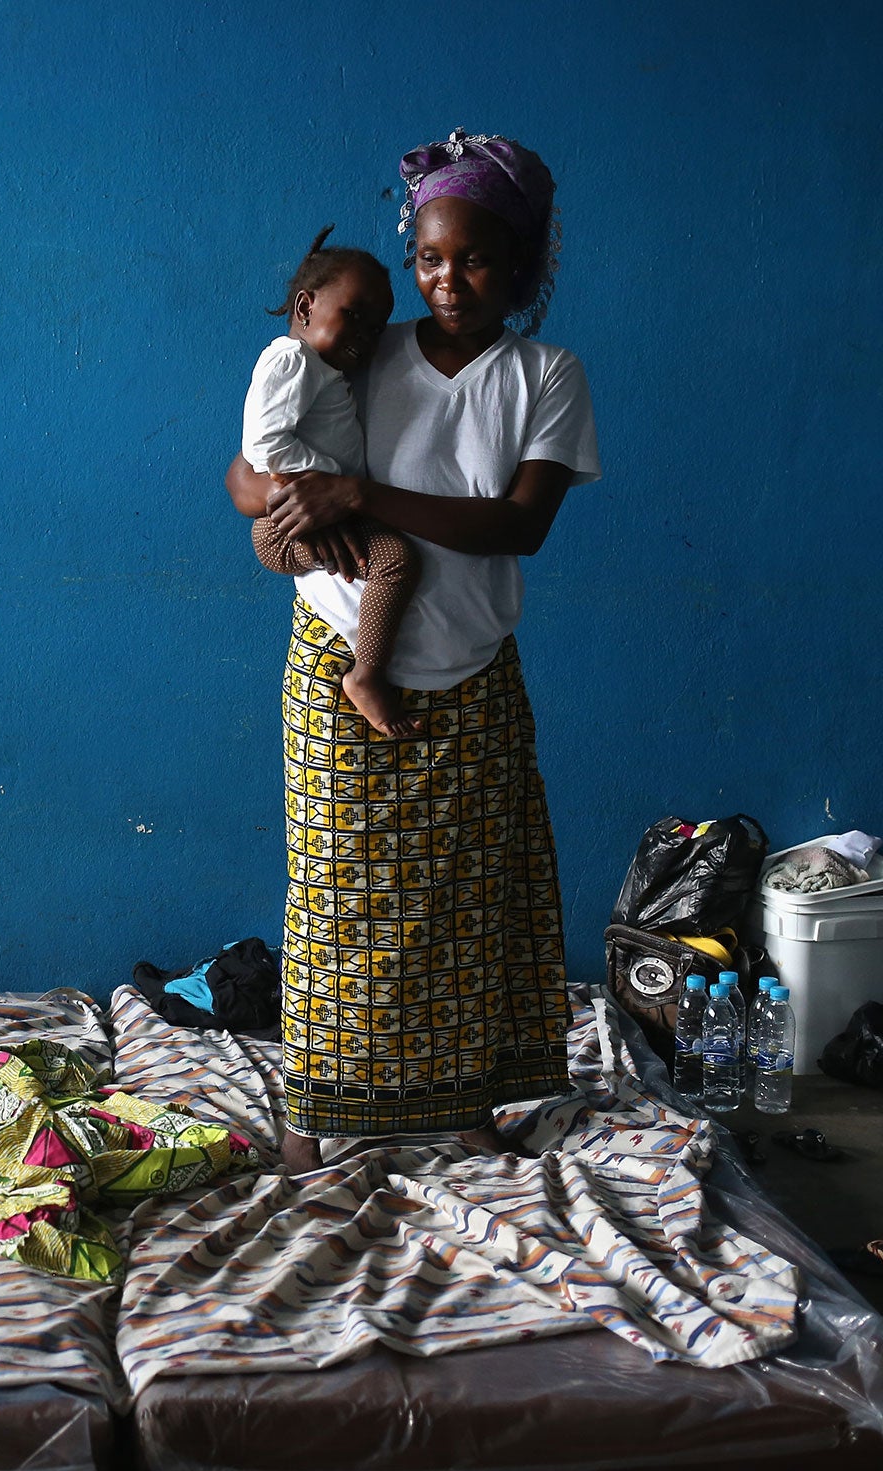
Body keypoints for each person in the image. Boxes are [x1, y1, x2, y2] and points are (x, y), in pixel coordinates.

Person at [224, 129, 600, 1176]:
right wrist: (288, 500)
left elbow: (518, 525)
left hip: (471, 670)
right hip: (336, 651)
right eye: (430, 258)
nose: (446, 279)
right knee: (336, 897)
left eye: (474, 259)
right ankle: (310, 1120)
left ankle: (467, 1109)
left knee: (463, 902)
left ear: (518, 266)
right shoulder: (363, 344)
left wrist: (360, 496)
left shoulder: (544, 375)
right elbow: (243, 476)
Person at [242, 229, 418, 738]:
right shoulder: (290, 361)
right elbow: (264, 446)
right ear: (305, 306)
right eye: (353, 314)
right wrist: (333, 487)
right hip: (285, 525)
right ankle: (366, 675)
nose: (366, 334)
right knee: (395, 561)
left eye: (377, 326)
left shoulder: (322, 371)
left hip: (310, 512)